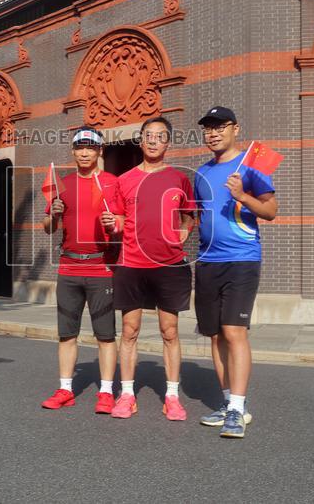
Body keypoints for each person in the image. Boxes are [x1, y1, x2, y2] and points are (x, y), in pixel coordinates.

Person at [100, 117, 195, 421]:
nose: (154, 141)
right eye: (149, 136)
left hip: (169, 265)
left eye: (161, 136)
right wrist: (113, 223)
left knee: (170, 331)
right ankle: (126, 394)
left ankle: (172, 397)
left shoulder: (179, 179)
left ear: (168, 143)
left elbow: (189, 216)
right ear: (140, 141)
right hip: (131, 264)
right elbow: (117, 219)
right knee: (129, 331)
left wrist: (183, 234)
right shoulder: (123, 180)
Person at [193, 106, 278, 439]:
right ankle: (229, 403)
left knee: (234, 332)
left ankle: (238, 409)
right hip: (207, 261)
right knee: (214, 334)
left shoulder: (252, 166)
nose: (213, 133)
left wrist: (242, 195)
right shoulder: (200, 172)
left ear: (235, 129)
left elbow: (270, 210)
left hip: (242, 259)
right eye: (208, 128)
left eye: (220, 127)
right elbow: (200, 216)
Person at [40, 127, 119, 414]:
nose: (85, 153)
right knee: (67, 334)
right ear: (73, 152)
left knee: (106, 335)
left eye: (91, 148)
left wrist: (114, 223)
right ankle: (65, 389)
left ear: (100, 152)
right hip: (69, 267)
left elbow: (121, 223)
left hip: (101, 268)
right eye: (79, 148)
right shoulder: (62, 184)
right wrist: (54, 213)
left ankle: (107, 392)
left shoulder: (112, 183)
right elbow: (48, 228)